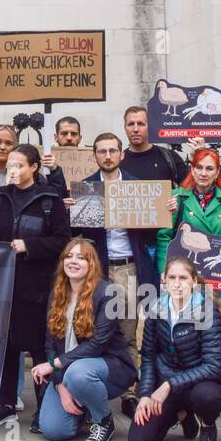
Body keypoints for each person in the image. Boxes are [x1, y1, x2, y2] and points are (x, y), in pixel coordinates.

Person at [0, 143, 71, 428]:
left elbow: (62, 240)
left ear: (33, 168)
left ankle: (46, 407)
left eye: (19, 165)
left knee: (41, 347)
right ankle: (5, 403)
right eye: (10, 166)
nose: (13, 170)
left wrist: (28, 245)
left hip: (39, 287)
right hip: (6, 286)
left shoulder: (49, 200)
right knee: (6, 346)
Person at [30, 238, 136, 441]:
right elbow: (50, 344)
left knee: (78, 373)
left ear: (92, 264)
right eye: (69, 256)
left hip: (109, 367)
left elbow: (97, 344)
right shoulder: (57, 294)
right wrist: (61, 385)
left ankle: (103, 420)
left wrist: (52, 366)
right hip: (68, 371)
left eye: (81, 257)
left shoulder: (108, 293)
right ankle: (86, 405)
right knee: (53, 430)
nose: (73, 261)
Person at [77, 132, 153, 417]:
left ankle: (130, 393)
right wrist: (70, 211)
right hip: (97, 270)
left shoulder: (138, 187)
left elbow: (151, 230)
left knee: (128, 331)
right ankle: (92, 389)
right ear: (95, 156)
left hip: (128, 267)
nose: (107, 156)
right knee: (92, 331)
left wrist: (166, 209)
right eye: (101, 151)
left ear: (122, 154)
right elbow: (76, 233)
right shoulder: (85, 188)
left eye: (112, 151)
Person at [127, 256, 221, 441]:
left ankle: (208, 426)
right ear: (164, 279)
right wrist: (146, 394)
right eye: (172, 277)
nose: (177, 283)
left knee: (206, 397)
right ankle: (182, 414)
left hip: (199, 384)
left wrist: (168, 385)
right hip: (166, 383)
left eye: (183, 277)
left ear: (193, 280)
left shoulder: (206, 310)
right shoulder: (156, 309)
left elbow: (214, 365)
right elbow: (148, 356)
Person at [156, 147, 221, 316]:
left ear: (217, 172)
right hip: (185, 274)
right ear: (192, 169)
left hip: (219, 273)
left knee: (219, 329)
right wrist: (164, 270)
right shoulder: (176, 197)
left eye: (209, 168)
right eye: (199, 167)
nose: (203, 173)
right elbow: (164, 238)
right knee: (187, 327)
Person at [120, 105, 203, 184]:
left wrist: (199, 158)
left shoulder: (169, 157)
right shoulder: (118, 160)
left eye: (141, 124)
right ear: (125, 128)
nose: (135, 129)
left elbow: (190, 187)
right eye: (130, 124)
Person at [40, 115, 82, 197]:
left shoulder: (90, 160)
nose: (69, 138)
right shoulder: (46, 159)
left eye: (73, 134)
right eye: (64, 133)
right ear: (56, 137)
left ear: (80, 138)